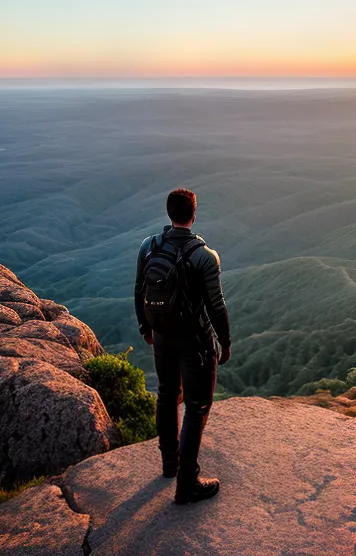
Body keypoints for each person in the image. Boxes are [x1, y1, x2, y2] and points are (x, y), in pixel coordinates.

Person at [134, 187, 231, 505]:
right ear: (194, 214)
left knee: (166, 395)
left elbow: (139, 290)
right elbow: (216, 305)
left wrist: (146, 328)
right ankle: (187, 484)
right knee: (196, 406)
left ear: (169, 213)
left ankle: (169, 465)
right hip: (195, 340)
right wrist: (225, 342)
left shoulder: (148, 246)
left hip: (161, 335)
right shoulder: (204, 256)